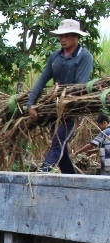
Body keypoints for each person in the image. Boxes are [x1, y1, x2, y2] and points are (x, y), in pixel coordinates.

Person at [27, 19, 94, 174]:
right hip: (53, 109)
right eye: (61, 36)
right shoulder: (55, 57)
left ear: (77, 37)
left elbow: (80, 88)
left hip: (72, 110)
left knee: (58, 141)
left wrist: (65, 102)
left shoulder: (84, 57)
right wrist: (30, 104)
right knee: (60, 145)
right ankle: (74, 180)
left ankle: (43, 173)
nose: (63, 39)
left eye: (68, 35)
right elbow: (42, 80)